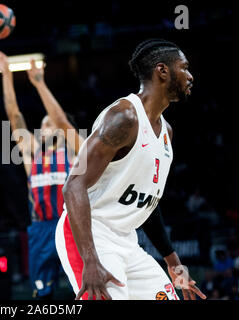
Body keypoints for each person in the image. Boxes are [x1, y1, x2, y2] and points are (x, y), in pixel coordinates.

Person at [55, 39, 206, 300]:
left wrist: (172, 260)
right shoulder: (124, 117)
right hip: (91, 235)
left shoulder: (166, 132)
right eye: (185, 68)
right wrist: (90, 260)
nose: (190, 76)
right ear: (162, 70)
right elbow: (73, 185)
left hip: (126, 240)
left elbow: (146, 202)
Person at [0, 49, 85, 299]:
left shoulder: (76, 155)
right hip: (41, 229)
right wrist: (6, 74)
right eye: (43, 124)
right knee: (42, 295)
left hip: (72, 226)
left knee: (85, 288)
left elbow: (61, 119)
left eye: (50, 123)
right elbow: (14, 115)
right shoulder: (32, 155)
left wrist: (40, 84)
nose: (46, 127)